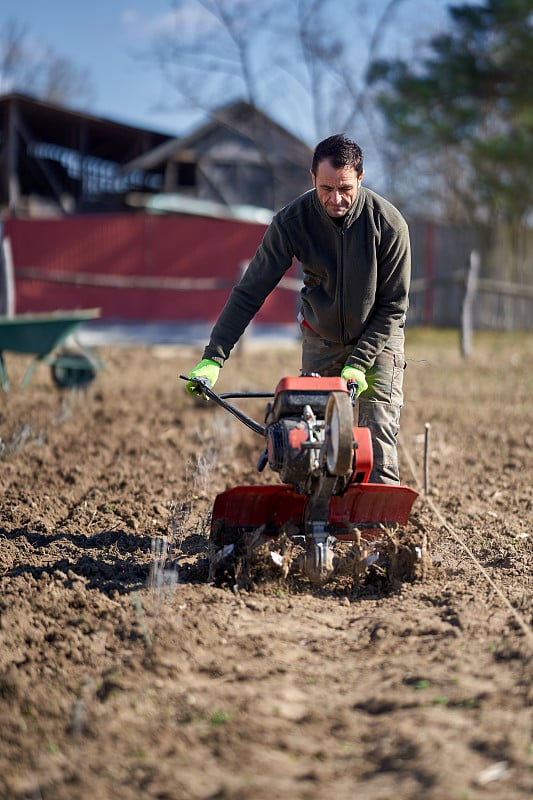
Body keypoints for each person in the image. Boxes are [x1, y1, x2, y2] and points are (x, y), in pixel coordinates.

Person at [185, 134, 410, 484]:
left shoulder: (388, 224)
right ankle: (313, 527)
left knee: (376, 439)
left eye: (346, 188)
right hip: (321, 340)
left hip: (378, 342)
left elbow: (394, 306)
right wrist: (214, 357)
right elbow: (249, 292)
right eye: (326, 188)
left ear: (361, 178)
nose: (336, 198)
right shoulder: (293, 222)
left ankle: (378, 530)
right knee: (307, 442)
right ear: (312, 178)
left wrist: (359, 362)